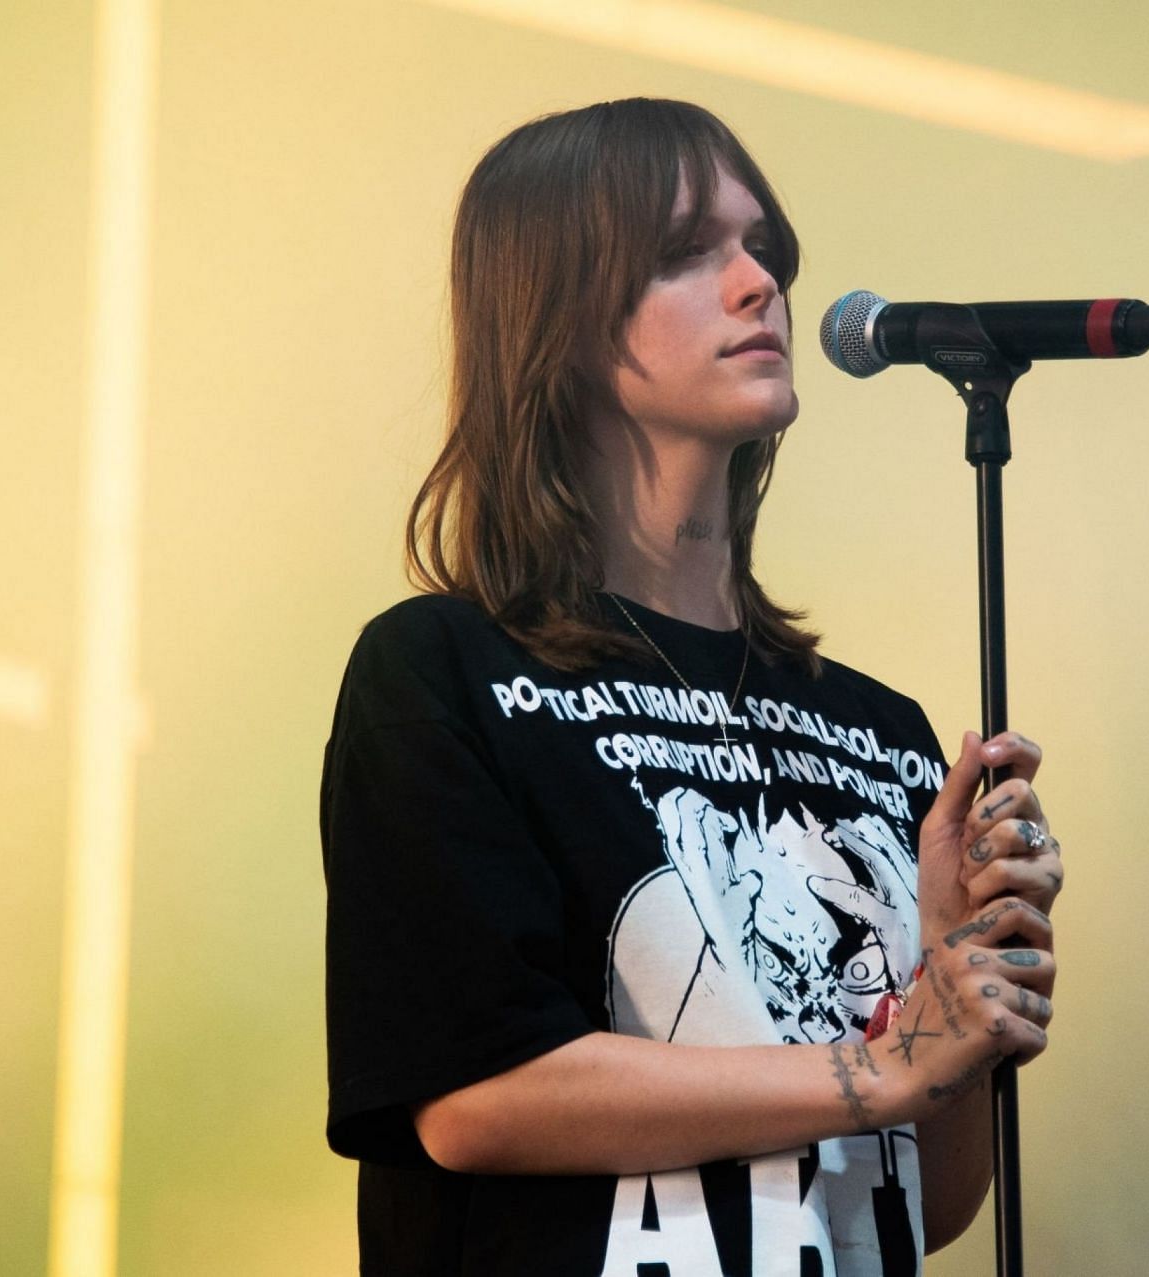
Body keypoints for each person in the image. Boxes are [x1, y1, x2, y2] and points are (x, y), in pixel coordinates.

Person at [320, 97, 1066, 1276]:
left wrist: (954, 970)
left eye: (762, 245)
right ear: (554, 321)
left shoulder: (877, 731)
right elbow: (469, 1097)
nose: (757, 280)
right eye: (685, 253)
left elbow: (939, 1195)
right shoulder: (446, 670)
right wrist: (882, 1061)